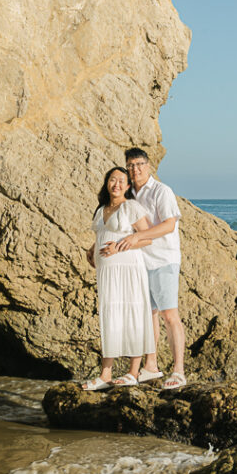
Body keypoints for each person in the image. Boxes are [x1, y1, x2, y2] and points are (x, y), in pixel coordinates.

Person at [114, 147, 186, 389]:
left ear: (149, 165)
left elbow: (168, 226)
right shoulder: (129, 193)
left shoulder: (161, 191)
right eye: (131, 165)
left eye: (139, 164)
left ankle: (178, 371)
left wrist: (138, 236)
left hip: (164, 260)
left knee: (169, 315)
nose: (136, 169)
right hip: (139, 262)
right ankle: (151, 366)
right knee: (148, 317)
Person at [83, 166, 155, 390]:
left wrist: (119, 247)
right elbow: (102, 234)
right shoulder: (102, 209)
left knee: (132, 314)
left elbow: (146, 238)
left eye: (121, 181)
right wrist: (92, 249)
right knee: (110, 316)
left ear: (128, 186)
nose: (116, 184)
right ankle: (106, 375)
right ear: (107, 183)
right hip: (106, 273)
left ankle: (133, 372)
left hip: (128, 269)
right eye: (113, 180)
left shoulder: (131, 206)